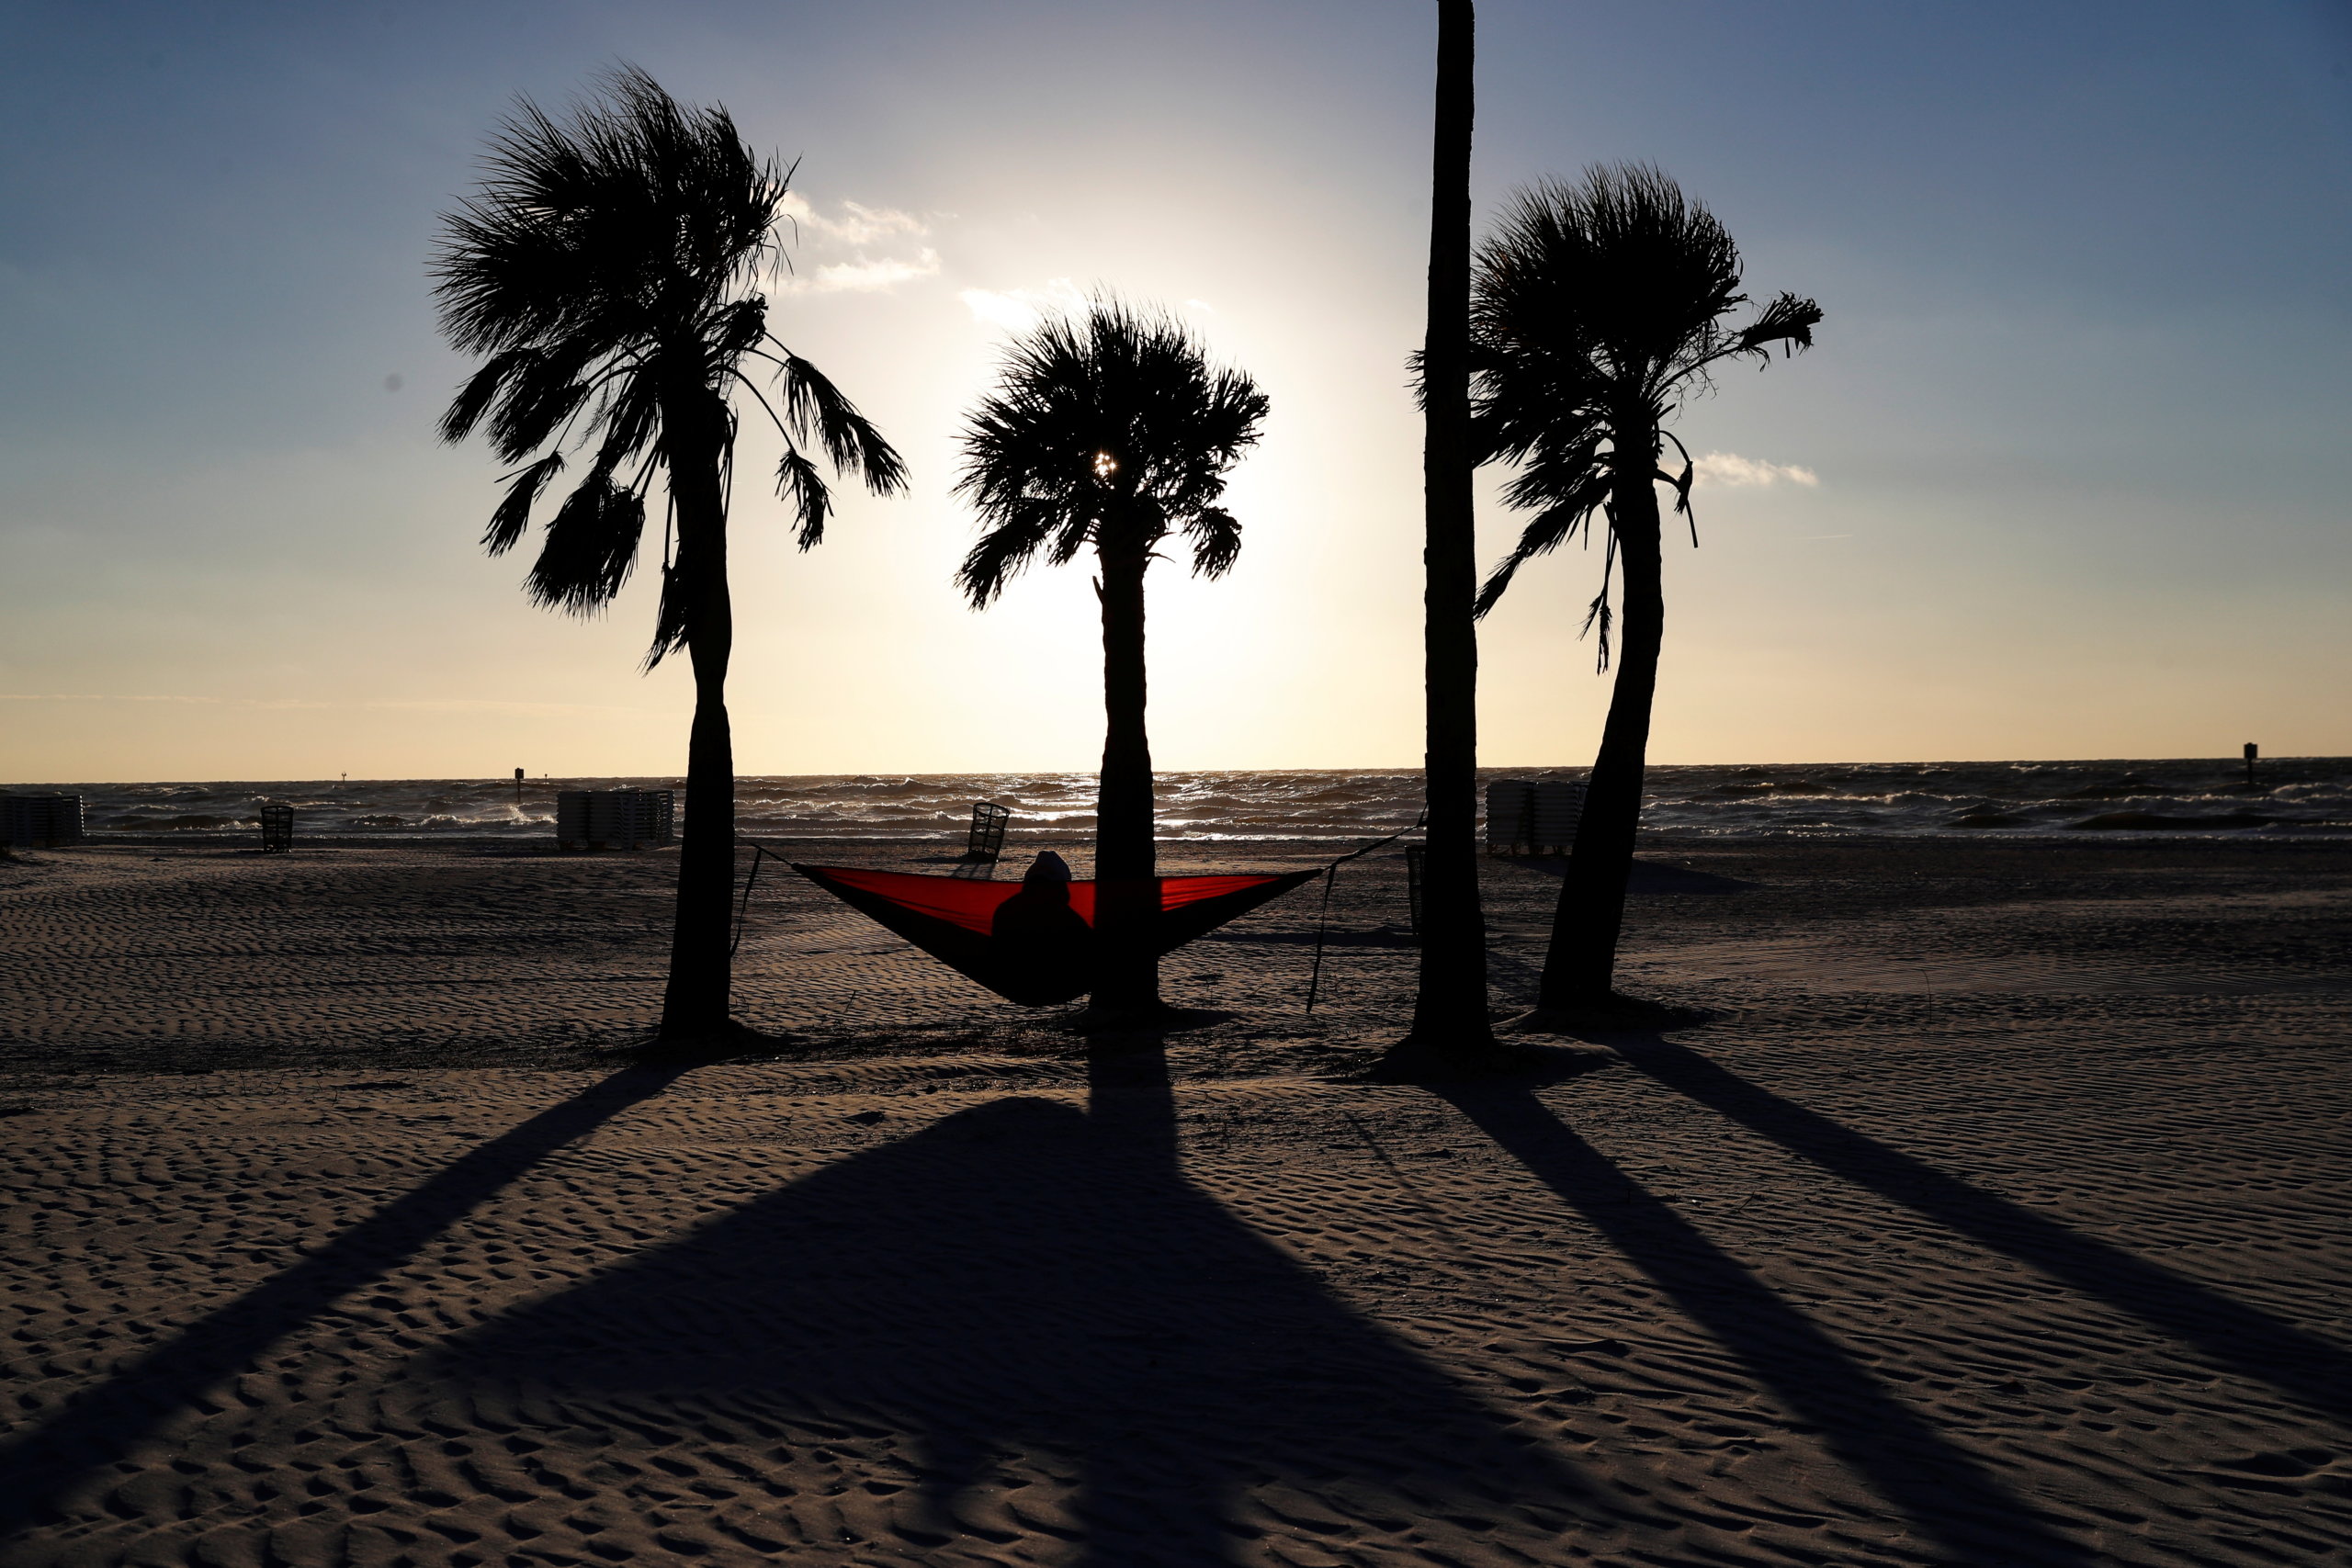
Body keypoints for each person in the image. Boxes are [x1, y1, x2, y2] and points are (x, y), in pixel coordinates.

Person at [989, 852, 1096, 1004]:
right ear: (1060, 886)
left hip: (1013, 977)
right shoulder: (1064, 916)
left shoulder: (1007, 908)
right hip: (1050, 978)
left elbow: (997, 949)